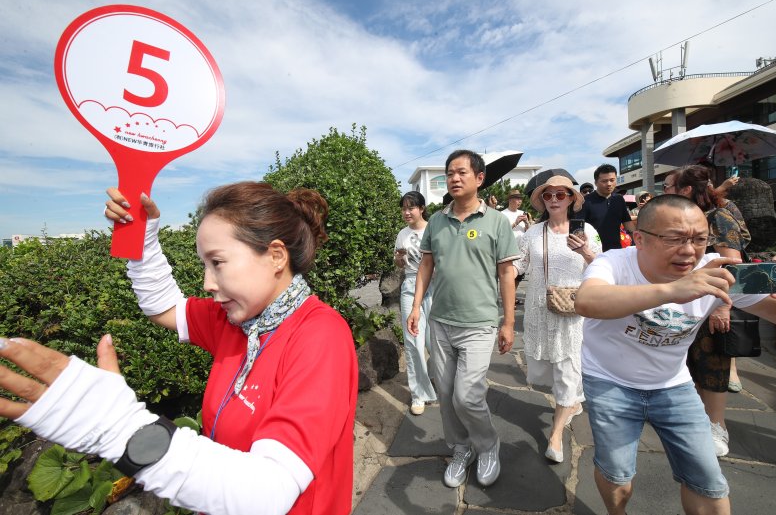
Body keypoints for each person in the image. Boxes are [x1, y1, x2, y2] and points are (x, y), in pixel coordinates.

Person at [0, 182, 359, 515]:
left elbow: (268, 491)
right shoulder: (239, 320)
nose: (207, 282)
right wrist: (142, 236)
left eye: (217, 262)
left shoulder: (320, 336)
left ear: (276, 255)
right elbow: (164, 306)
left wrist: (118, 429)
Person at [574, 193, 776, 515]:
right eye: (675, 239)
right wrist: (674, 289)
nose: (689, 251)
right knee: (618, 477)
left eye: (699, 239)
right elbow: (588, 301)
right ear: (639, 238)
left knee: (708, 481)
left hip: (673, 385)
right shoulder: (612, 262)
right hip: (609, 381)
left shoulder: (714, 270)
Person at [407, 149, 519, 488]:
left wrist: (509, 322)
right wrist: (415, 307)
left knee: (467, 395)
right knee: (445, 393)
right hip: (441, 320)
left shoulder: (497, 221)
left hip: (480, 323)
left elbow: (506, 273)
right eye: (450, 173)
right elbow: (426, 265)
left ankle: (487, 446)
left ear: (479, 179)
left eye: (461, 173)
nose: (454, 178)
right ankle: (460, 448)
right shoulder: (437, 221)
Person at [664, 165, 752, 455]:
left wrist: (723, 306)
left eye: (670, 187)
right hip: (684, 302)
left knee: (712, 363)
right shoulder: (681, 220)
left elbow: (733, 264)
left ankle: (717, 426)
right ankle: (694, 421)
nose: (666, 192)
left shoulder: (719, 218)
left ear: (686, 190)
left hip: (712, 303)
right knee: (688, 366)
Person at [513, 176, 600, 463]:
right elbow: (518, 266)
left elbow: (602, 267)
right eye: (548, 195)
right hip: (540, 307)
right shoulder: (533, 233)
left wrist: (585, 251)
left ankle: (555, 433)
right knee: (544, 369)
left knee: (567, 366)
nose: (553, 199)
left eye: (560, 195)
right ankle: (572, 400)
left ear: (572, 199)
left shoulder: (587, 230)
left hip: (572, 310)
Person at [395, 191, 437, 415]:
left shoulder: (433, 228)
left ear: (422, 208)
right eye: (403, 208)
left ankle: (432, 376)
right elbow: (399, 264)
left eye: (411, 207)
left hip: (435, 288)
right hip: (410, 288)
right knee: (413, 342)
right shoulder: (402, 234)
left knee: (435, 342)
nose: (406, 212)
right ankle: (418, 393)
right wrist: (400, 259)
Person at [577, 164, 635, 251]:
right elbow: (579, 228)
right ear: (596, 182)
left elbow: (627, 223)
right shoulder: (585, 202)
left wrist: (636, 241)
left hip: (616, 250)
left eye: (612, 180)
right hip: (593, 251)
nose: (609, 184)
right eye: (604, 181)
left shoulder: (619, 199)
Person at [501, 188, 530, 304]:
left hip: (521, 249)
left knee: (519, 276)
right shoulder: (503, 214)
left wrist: (527, 222)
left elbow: (528, 230)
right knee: (509, 276)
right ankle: (508, 300)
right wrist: (515, 223)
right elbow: (502, 232)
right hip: (508, 249)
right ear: (510, 200)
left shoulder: (523, 212)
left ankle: (512, 298)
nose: (519, 201)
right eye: (517, 199)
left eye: (520, 199)